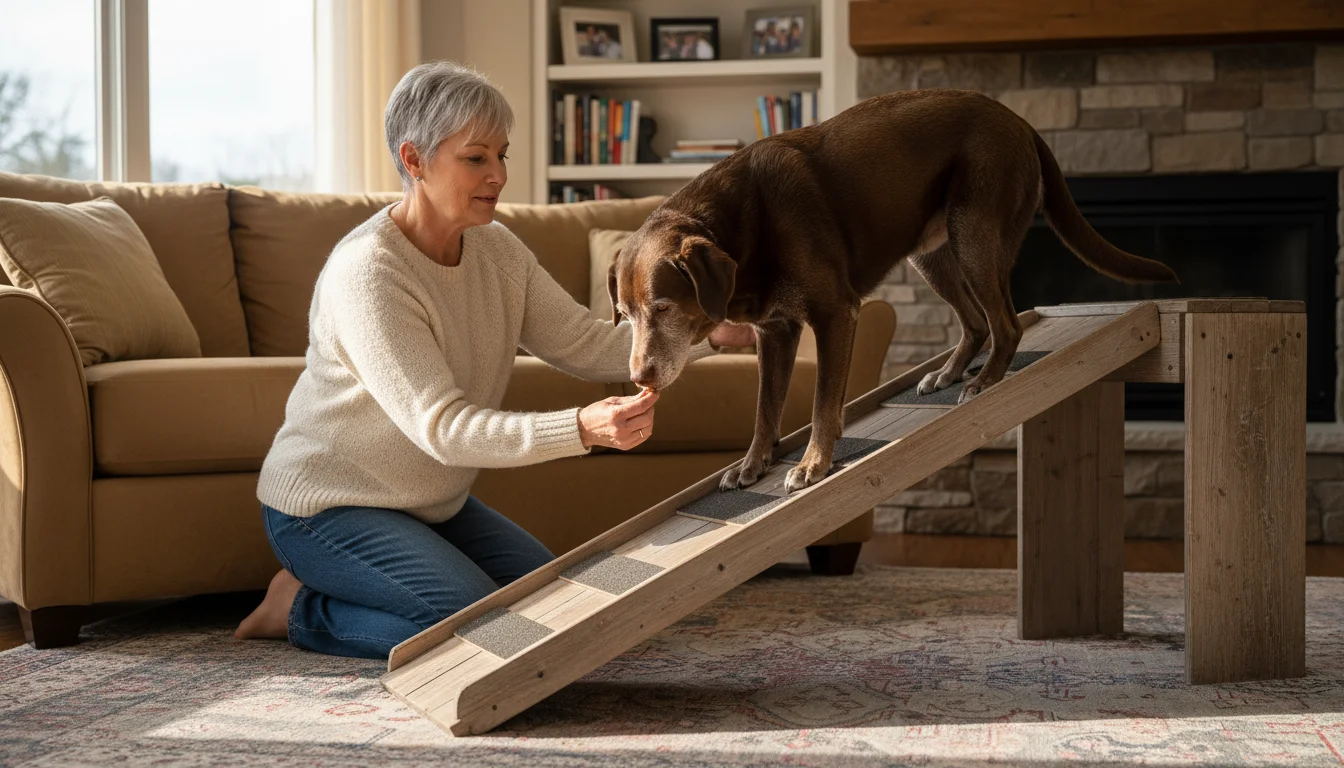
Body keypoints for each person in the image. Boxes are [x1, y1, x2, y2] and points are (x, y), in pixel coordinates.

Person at [233, 61, 754, 659]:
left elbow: (586, 343)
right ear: (414, 160)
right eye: (476, 158)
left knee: (559, 611)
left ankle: (348, 591)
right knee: (489, 637)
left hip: (429, 505)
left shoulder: (496, 248)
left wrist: (709, 332)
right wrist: (581, 429)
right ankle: (297, 608)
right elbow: (445, 429)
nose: (498, 175)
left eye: (502, 156)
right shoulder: (369, 274)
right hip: (327, 508)